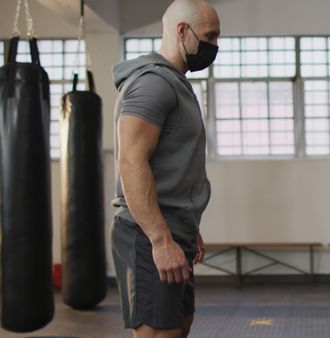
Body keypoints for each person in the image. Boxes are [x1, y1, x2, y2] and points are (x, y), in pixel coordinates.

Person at [110, 1, 220, 337]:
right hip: (149, 236)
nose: (214, 47)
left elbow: (173, 163)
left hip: (176, 230)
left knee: (179, 327)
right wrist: (160, 240)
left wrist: (188, 224)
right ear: (182, 31)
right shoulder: (152, 84)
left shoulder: (175, 83)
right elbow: (131, 161)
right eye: (210, 36)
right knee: (159, 332)